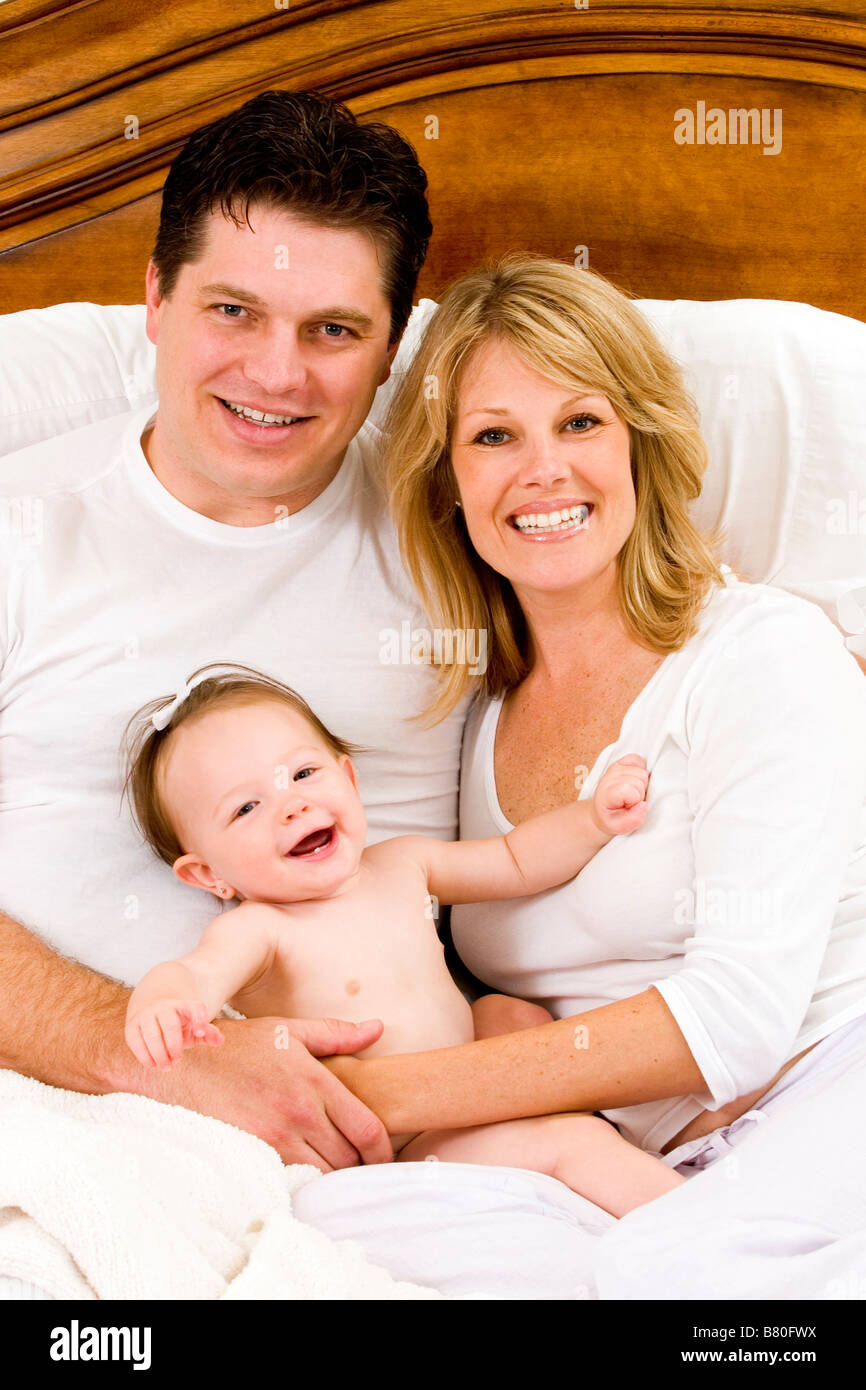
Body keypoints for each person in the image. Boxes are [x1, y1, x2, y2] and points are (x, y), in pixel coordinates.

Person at [292, 256, 866, 1298]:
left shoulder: (762, 653)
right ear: (448, 479)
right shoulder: (474, 717)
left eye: (581, 422)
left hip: (822, 1099)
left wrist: (385, 1090)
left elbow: (735, 1014)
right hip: (618, 1166)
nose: (542, 470)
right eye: (494, 435)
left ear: (641, 442)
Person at [0, 87, 463, 1175]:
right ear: (155, 298)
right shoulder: (23, 533)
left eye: (332, 330)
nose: (275, 373)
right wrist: (151, 1056)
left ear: (392, 347)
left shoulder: (463, 545)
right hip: (55, 1116)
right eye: (233, 310)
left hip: (399, 1136)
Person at [119, 662, 685, 1217]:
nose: (292, 804)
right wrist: (163, 1003)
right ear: (207, 876)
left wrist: (591, 821)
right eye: (246, 807)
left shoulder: (404, 864)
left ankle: (596, 1153)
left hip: (472, 1088)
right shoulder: (260, 930)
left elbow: (515, 860)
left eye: (303, 774)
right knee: (570, 1143)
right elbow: (196, 973)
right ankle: (702, 1228)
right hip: (406, 1149)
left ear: (350, 779)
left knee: (513, 1016)